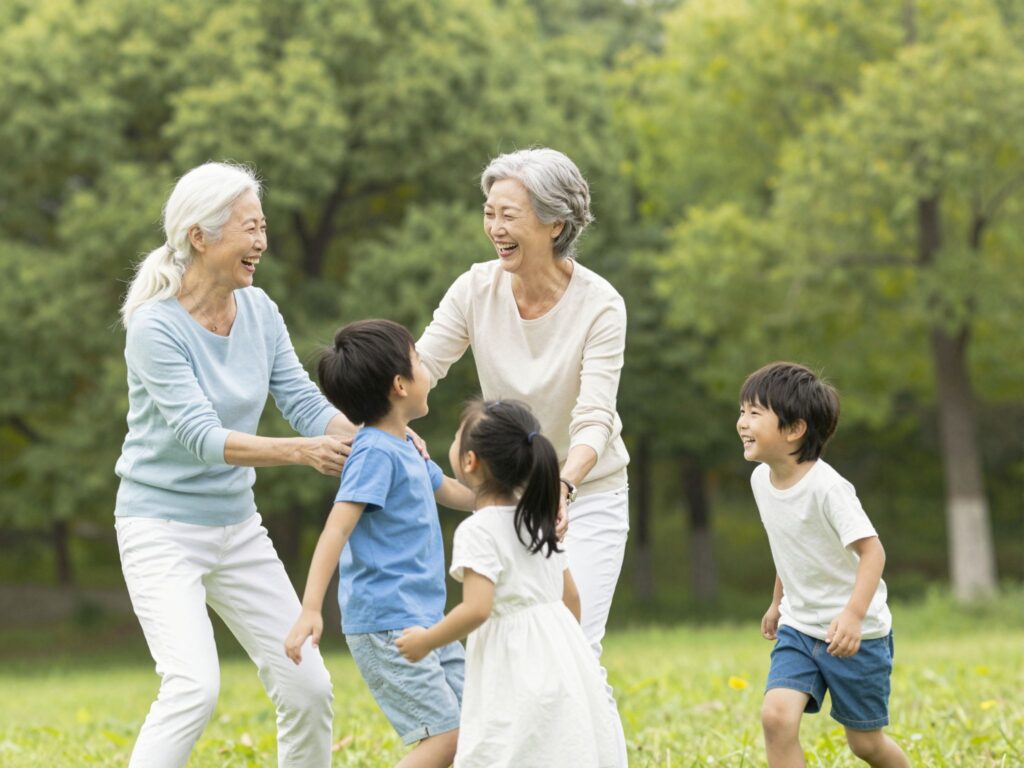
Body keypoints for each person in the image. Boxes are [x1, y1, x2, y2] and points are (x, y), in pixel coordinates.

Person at [115, 161, 357, 767]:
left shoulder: (259, 310)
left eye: (264, 226)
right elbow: (201, 436)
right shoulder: (154, 327)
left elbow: (300, 398)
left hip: (235, 525)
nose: (262, 242)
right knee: (194, 686)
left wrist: (375, 438)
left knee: (308, 686)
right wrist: (303, 454)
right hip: (160, 529)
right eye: (250, 228)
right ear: (200, 236)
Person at [416, 147, 629, 763]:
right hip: (508, 495)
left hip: (586, 493)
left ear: (555, 224)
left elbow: (594, 416)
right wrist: (387, 423)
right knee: (510, 659)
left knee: (575, 649)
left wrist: (561, 487)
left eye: (509, 214)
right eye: (489, 213)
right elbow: (425, 365)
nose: (495, 228)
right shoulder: (475, 289)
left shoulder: (600, 303)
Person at [284, 319, 475, 768]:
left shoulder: (407, 445)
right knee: (445, 738)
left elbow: (451, 490)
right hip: (388, 622)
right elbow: (336, 530)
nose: (426, 369)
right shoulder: (373, 452)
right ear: (399, 384)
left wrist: (509, 499)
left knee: (476, 723)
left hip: (427, 616)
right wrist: (311, 607)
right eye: (419, 362)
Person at [396, 399, 618, 768]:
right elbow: (572, 596)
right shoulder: (536, 520)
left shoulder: (477, 530)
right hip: (561, 656)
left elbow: (477, 608)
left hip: (512, 661)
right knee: (556, 747)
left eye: (456, 437)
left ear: (469, 461)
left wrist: (425, 640)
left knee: (505, 745)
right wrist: (565, 649)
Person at [737, 362, 911, 768]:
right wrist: (777, 602)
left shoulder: (828, 488)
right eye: (742, 411)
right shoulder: (761, 480)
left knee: (865, 744)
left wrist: (852, 615)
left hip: (855, 636)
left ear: (795, 429)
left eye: (755, 413)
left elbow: (873, 553)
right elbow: (791, 547)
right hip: (799, 628)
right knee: (776, 718)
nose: (742, 423)